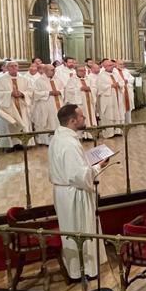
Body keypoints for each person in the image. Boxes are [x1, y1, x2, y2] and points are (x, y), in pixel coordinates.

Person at [49, 104, 110, 281]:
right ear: (72, 121)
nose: (85, 119)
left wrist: (88, 160)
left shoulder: (60, 137)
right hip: (74, 194)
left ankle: (79, 268)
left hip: (66, 191)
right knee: (79, 230)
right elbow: (79, 176)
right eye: (82, 117)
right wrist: (99, 165)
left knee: (73, 230)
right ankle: (84, 271)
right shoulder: (68, 144)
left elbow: (75, 167)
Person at [0, 60, 34, 150]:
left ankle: (23, 143)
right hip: (8, 106)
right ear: (7, 68)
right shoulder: (0, 79)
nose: (14, 67)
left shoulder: (25, 79)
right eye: (11, 66)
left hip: (22, 105)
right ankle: (10, 145)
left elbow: (31, 91)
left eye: (15, 66)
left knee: (24, 123)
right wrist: (10, 94)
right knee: (9, 125)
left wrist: (22, 94)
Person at [96, 59, 125, 137]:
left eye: (112, 65)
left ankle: (118, 131)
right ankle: (109, 133)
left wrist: (119, 84)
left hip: (117, 98)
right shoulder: (101, 76)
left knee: (117, 114)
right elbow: (99, 87)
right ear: (104, 66)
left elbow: (122, 82)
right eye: (109, 65)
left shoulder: (116, 74)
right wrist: (111, 86)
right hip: (107, 99)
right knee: (109, 115)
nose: (112, 67)